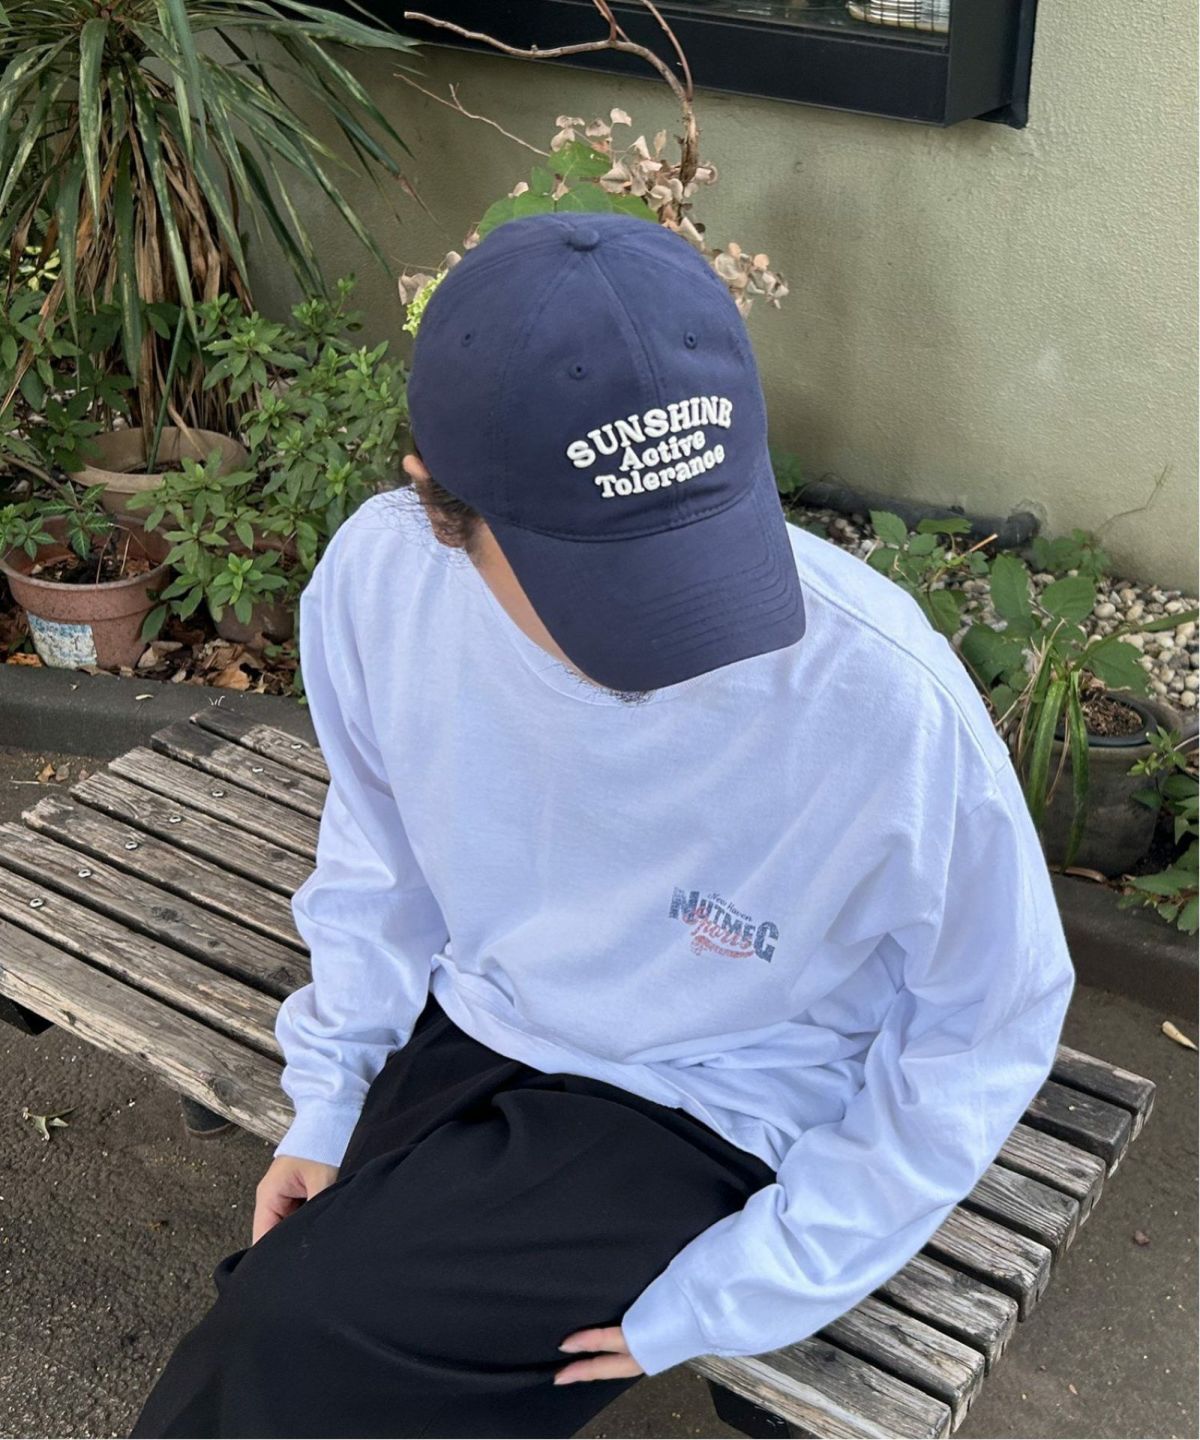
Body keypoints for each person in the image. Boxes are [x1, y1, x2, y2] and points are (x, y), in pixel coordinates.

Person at [131, 212, 1075, 1440]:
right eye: (604, 577)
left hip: (724, 1085)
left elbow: (990, 1016)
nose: (682, 630)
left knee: (288, 1352)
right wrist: (331, 1090)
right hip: (486, 1013)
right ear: (440, 506)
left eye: (701, 545)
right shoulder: (380, 582)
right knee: (285, 1327)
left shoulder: (881, 694)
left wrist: (762, 1277)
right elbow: (379, 855)